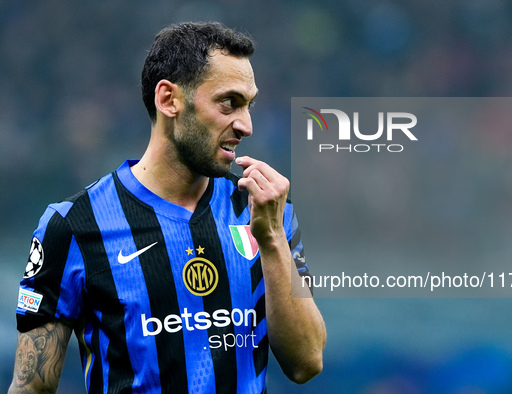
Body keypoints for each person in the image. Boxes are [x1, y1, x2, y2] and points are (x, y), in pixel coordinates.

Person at [9, 22, 326, 393]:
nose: (246, 125)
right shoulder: (74, 225)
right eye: (229, 102)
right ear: (169, 100)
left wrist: (272, 240)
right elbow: (31, 386)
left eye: (249, 105)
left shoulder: (268, 213)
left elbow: (306, 363)